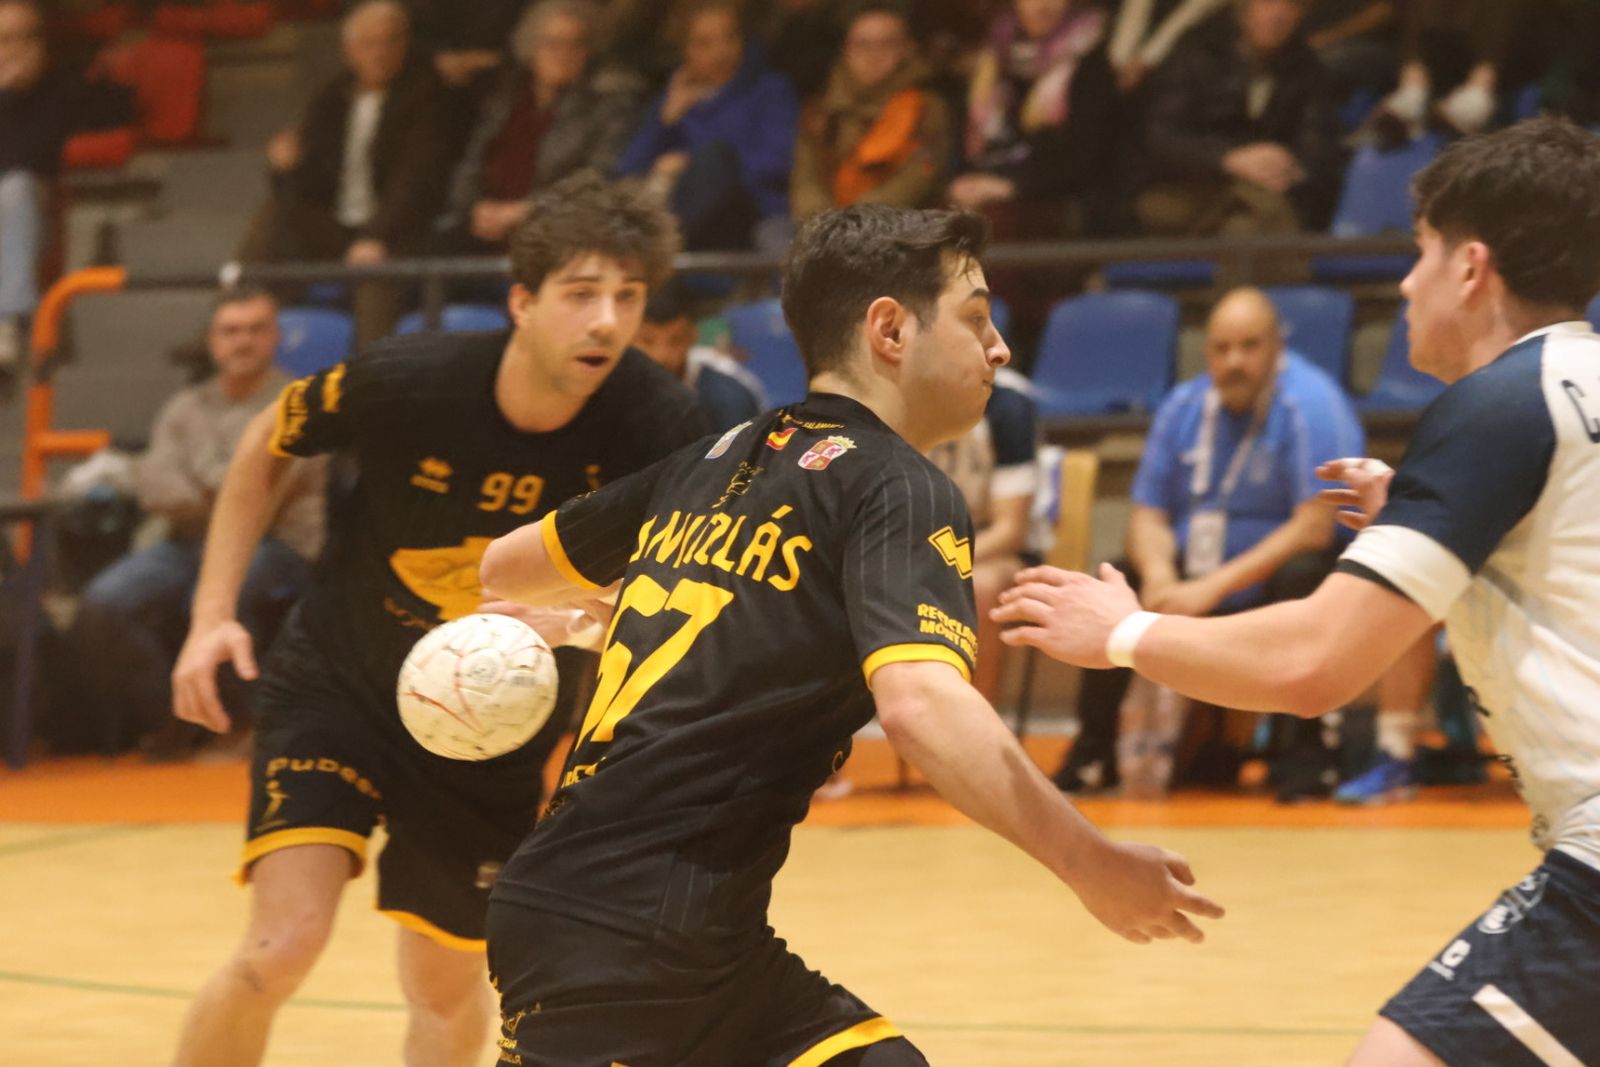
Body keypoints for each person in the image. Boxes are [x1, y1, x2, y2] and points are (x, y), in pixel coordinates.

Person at [476, 203, 1224, 1065]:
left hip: (637, 925)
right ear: (889, 330)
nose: (1000, 349)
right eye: (977, 318)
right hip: (645, 938)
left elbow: (504, 566)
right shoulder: (899, 486)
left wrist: (612, 608)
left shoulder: (714, 455)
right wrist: (1091, 861)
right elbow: (922, 709)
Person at [996, 116, 1600, 1067]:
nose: (1405, 283)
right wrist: (1434, 516)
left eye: (1421, 255)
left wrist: (1124, 631)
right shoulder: (1576, 393)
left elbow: (1312, 664)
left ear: (1472, 269)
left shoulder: (1497, 407)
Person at [166, 173, 708, 1067]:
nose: (608, 321)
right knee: (281, 946)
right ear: (522, 302)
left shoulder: (661, 425)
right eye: (581, 296)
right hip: (339, 680)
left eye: (628, 297)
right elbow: (267, 441)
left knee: (447, 986)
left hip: (495, 724)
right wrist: (210, 614)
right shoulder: (412, 377)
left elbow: (682, 600)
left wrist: (585, 618)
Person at [1054, 286, 1363, 798]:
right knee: (1115, 579)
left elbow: (1314, 526)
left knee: (1307, 573)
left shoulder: (1313, 404)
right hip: (1190, 573)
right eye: (1221, 348)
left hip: (1268, 575)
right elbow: (1147, 514)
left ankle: (1303, 757)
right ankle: (1093, 753)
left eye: (1249, 346)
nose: (1233, 361)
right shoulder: (1184, 405)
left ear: (1276, 347)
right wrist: (1159, 578)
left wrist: (1211, 589)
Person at [67, 288, 323, 757]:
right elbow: (154, 483)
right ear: (211, 341)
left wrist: (202, 486)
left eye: (254, 330)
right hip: (184, 543)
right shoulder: (185, 406)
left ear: (275, 337)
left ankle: (245, 724)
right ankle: (178, 717)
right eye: (230, 331)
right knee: (102, 603)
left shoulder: (296, 402)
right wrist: (220, 488)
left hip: (277, 545)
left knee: (215, 598)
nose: (241, 341)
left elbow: (265, 497)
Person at [238, 0, 451, 347]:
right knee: (273, 217)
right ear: (349, 50)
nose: (380, 52)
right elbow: (311, 184)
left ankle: (369, 375)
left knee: (373, 273)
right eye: (369, 44)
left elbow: (417, 180)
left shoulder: (429, 93)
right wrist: (286, 168)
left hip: (402, 232)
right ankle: (230, 318)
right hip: (339, 227)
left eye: (390, 41)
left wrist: (377, 235)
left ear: (405, 43)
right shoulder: (332, 97)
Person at [437, 0, 642, 252]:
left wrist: (524, 211)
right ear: (533, 47)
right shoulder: (507, 98)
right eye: (553, 43)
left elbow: (597, 180)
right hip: (483, 231)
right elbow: (471, 163)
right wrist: (474, 207)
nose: (563, 53)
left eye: (575, 44)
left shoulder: (607, 104)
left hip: (558, 236)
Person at [1137, 0, 1343, 245]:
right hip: (1187, 190)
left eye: (1290, 5)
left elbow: (1319, 148)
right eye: (1267, 4)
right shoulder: (1196, 56)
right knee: (1258, 220)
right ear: (1243, 9)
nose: (1278, 14)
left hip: (1267, 195)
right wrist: (1228, 159)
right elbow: (1161, 139)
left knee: (1245, 228)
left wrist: (1284, 163)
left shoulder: (1309, 70)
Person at [0, 0, 133, 366]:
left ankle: (8, 322)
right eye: (6, 39)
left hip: (28, 212)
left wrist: (14, 97)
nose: (16, 49)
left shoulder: (61, 87)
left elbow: (26, 159)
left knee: (14, 188)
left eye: (28, 38)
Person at [614, 0, 799, 252]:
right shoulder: (675, 98)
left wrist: (691, 164)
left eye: (729, 38)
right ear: (685, 51)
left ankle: (655, 247)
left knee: (715, 159)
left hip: (752, 212)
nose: (720, 51)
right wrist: (665, 120)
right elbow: (628, 171)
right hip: (691, 225)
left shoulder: (770, 90)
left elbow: (775, 162)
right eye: (704, 43)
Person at [950, 0, 1117, 232]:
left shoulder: (1091, 65)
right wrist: (964, 181)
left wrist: (1011, 187)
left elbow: (1087, 154)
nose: (1042, 6)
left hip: (1056, 199)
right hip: (985, 181)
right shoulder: (994, 58)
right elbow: (966, 135)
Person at [925, 366, 1037, 703]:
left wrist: (931, 561)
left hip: (993, 550)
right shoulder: (897, 398)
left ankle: (975, 722)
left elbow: (1010, 530)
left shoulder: (1009, 405)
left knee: (978, 587)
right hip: (919, 544)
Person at [789, 0, 952, 221]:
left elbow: (919, 177)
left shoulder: (925, 107)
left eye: (886, 44)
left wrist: (859, 220)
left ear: (906, 49)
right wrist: (821, 220)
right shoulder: (821, 110)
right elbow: (805, 180)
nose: (873, 54)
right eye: (862, 44)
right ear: (846, 50)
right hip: (824, 226)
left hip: (900, 224)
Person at [634, 276, 767, 431]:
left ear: (693, 335)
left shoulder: (729, 397)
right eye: (647, 340)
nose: (662, 354)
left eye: (676, 340)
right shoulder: (607, 383)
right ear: (629, 337)